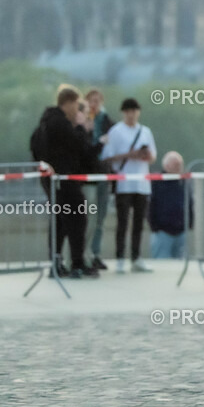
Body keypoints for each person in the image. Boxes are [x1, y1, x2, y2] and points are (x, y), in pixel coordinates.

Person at [34, 85, 101, 279]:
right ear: (69, 103)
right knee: (77, 219)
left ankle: (56, 262)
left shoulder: (45, 123)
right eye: (76, 105)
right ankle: (77, 264)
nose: (77, 110)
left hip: (52, 180)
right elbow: (79, 147)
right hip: (64, 180)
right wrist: (82, 127)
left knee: (59, 222)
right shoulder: (60, 123)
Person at [102, 98, 156, 273]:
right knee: (123, 222)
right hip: (124, 182)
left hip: (141, 182)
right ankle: (119, 257)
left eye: (134, 111)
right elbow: (107, 156)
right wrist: (129, 154)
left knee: (139, 222)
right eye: (128, 111)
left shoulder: (145, 131)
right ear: (123, 113)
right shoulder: (116, 131)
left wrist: (144, 155)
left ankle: (136, 256)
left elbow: (153, 156)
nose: (131, 115)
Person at [84, 88, 114, 270]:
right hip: (88, 174)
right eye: (91, 101)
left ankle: (95, 253)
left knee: (101, 217)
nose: (94, 104)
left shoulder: (106, 121)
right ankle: (84, 252)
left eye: (97, 100)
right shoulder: (83, 120)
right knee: (89, 216)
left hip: (103, 172)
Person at [149, 151, 192, 259]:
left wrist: (190, 222)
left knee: (180, 264)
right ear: (167, 165)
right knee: (162, 264)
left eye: (180, 165)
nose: (179, 168)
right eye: (176, 165)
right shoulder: (156, 182)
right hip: (162, 232)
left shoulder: (183, 182)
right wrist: (154, 226)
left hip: (181, 231)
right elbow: (151, 204)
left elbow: (190, 203)